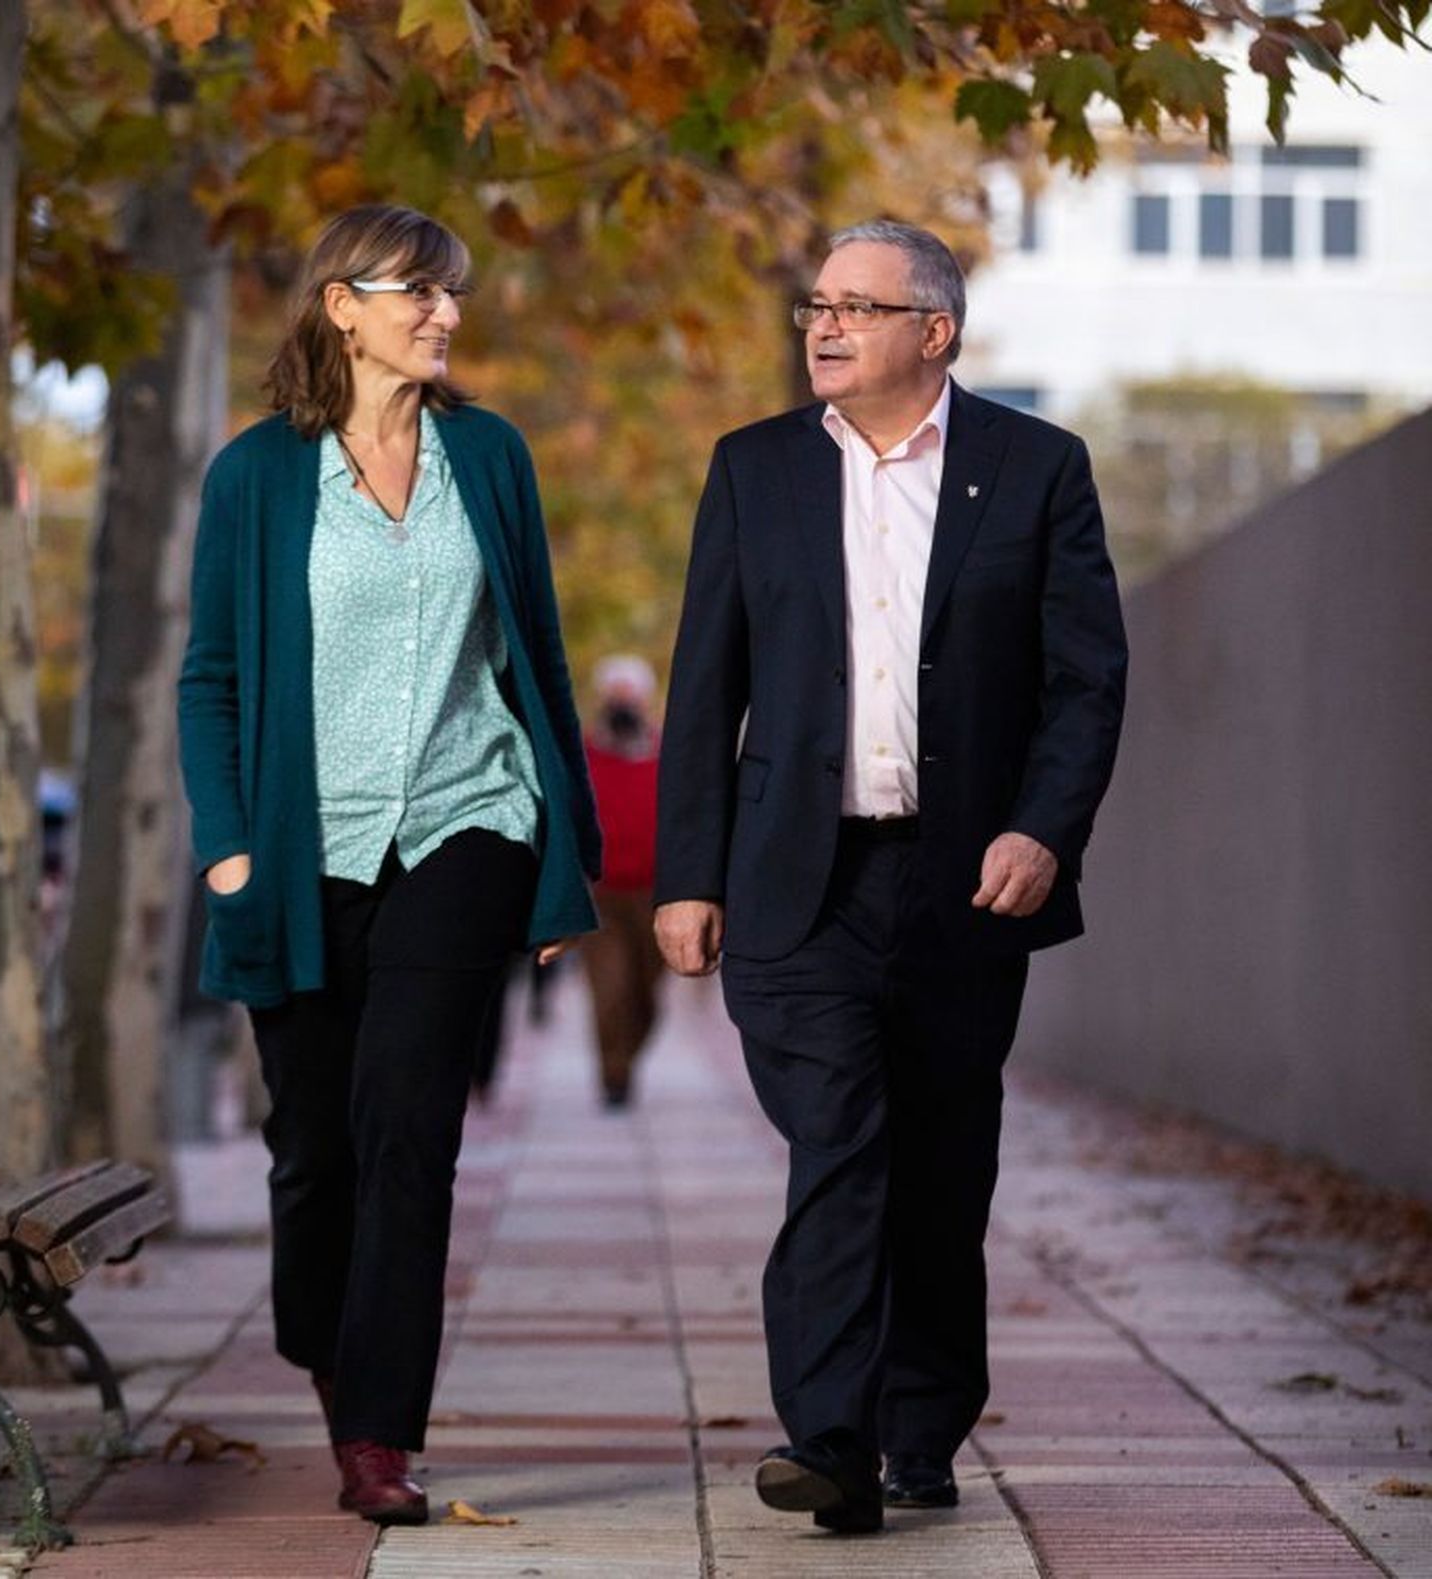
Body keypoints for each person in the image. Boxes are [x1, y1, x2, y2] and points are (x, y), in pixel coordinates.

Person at [653, 219, 1127, 1534]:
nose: (826, 323)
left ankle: (921, 1421)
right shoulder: (754, 470)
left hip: (965, 881)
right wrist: (687, 873)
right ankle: (833, 1436)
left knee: (938, 1156)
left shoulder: (1035, 469)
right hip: (797, 880)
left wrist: (1043, 828)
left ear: (938, 330)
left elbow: (1086, 680)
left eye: (860, 305)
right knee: (842, 1138)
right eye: (818, 302)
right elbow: (708, 686)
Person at [177, 203, 600, 1526]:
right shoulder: (258, 473)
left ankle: (379, 1432)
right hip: (304, 853)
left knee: (411, 1129)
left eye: (451, 293)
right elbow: (212, 680)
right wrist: (232, 851)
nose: (443, 313)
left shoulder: (491, 454)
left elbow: (535, 652)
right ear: (341, 305)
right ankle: (327, 1340)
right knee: (314, 1149)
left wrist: (558, 852)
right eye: (415, 291)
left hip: (468, 826)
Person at [579, 654, 664, 1107]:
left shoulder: (666, 752)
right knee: (610, 989)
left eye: (631, 695)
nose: (623, 703)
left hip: (655, 895)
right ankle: (614, 1072)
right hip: (603, 893)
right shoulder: (585, 753)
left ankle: (626, 1055)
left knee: (646, 996)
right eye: (617, 695)